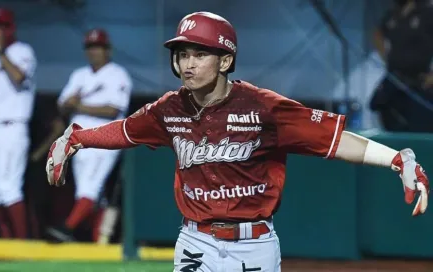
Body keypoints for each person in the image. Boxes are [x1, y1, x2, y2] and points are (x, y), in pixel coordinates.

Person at [46, 12, 429, 271]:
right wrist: (77, 138)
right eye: (182, 54)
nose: (187, 64)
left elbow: (334, 141)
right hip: (196, 241)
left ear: (225, 62)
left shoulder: (264, 107)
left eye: (199, 54)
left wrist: (397, 160)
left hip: (255, 244)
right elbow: (125, 130)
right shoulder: (170, 108)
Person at [33, 28, 132, 242]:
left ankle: (67, 228)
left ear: (108, 50)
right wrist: (74, 106)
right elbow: (63, 103)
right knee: (87, 193)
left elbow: (113, 109)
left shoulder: (118, 74)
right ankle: (100, 242)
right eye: (90, 47)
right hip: (79, 140)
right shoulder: (80, 75)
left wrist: (79, 105)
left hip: (106, 139)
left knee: (91, 187)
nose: (94, 51)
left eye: (98, 47)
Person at [0, 7, 37, 239]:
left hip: (12, 128)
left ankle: (21, 245)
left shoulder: (22, 52)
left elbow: (18, 77)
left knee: (10, 188)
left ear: (10, 29)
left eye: (1, 27)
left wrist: (0, 53)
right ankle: (7, 246)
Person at [371, 0, 433, 132]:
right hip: (395, 77)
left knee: (420, 125)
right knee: (380, 107)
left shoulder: (428, 11)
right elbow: (378, 33)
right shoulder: (395, 13)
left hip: (420, 80)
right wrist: (385, 56)